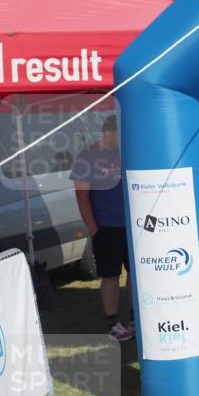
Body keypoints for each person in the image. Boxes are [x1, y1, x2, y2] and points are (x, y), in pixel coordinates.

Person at [70, 115, 133, 342]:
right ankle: (113, 323)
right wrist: (93, 228)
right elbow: (81, 195)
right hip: (106, 227)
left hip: (132, 225)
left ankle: (135, 319)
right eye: (120, 135)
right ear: (109, 133)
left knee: (136, 274)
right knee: (110, 275)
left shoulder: (128, 150)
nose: (124, 139)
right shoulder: (88, 156)